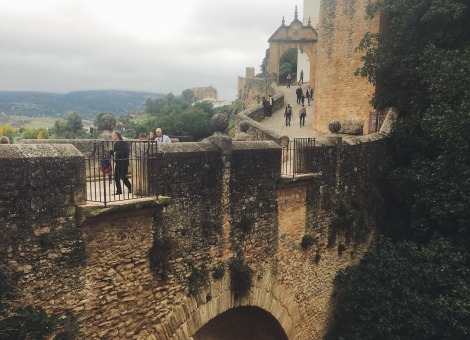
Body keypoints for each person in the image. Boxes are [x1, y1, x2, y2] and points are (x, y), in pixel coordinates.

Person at [110, 130, 132, 195]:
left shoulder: (124, 142)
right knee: (116, 177)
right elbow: (115, 152)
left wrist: (116, 153)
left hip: (123, 162)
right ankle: (119, 191)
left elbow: (125, 152)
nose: (112, 136)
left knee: (123, 176)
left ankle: (130, 187)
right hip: (118, 162)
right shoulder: (115, 143)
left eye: (113, 135)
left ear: (116, 135)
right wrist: (110, 152)